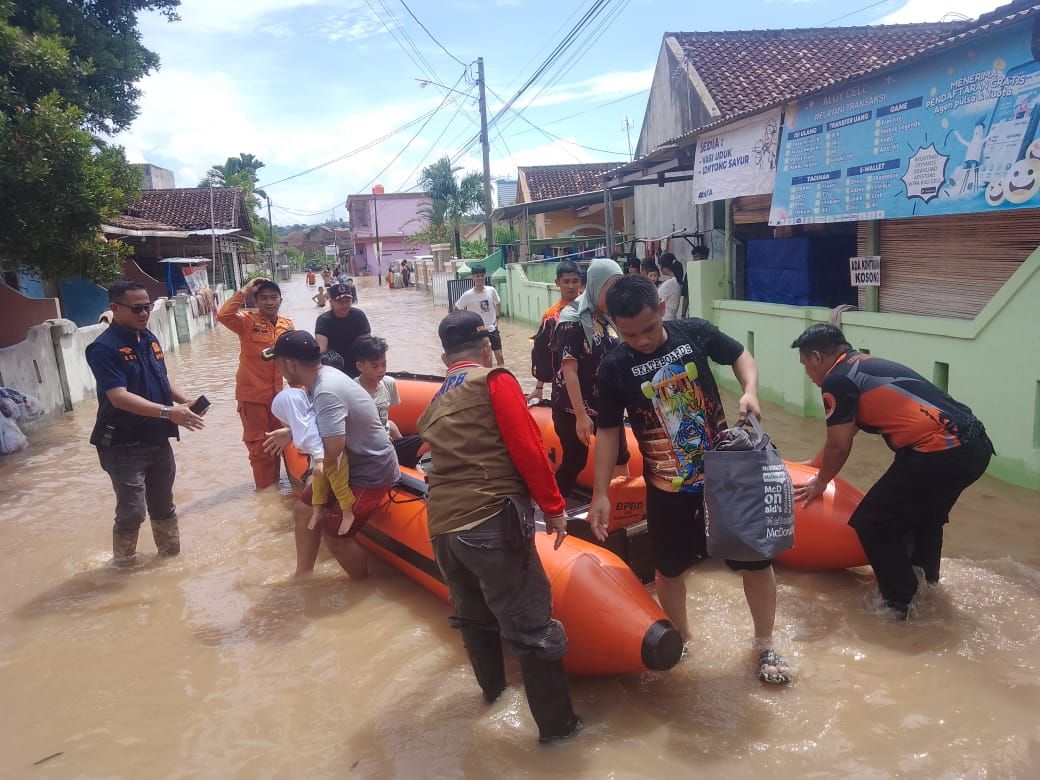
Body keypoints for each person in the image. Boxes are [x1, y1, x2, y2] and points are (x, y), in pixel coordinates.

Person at [590, 274, 791, 685]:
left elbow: (739, 355)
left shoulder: (692, 333)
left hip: (727, 479)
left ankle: (765, 645)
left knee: (754, 561)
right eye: (630, 334)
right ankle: (682, 639)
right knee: (670, 569)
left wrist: (750, 390)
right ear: (614, 325)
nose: (642, 341)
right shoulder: (613, 367)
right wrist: (600, 494)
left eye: (648, 329)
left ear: (662, 309)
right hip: (667, 488)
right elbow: (608, 431)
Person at [416, 311, 580, 743]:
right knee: (534, 629)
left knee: (474, 620)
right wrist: (555, 507)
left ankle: (493, 698)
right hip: (489, 520)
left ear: (444, 356)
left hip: (443, 530)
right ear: (486, 346)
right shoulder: (493, 380)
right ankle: (560, 734)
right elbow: (527, 447)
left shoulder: (436, 401)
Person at [790, 324, 993, 619]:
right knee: (926, 519)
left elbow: (840, 446)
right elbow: (847, 431)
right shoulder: (861, 367)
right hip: (975, 447)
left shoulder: (837, 380)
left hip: (939, 450)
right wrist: (815, 464)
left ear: (817, 357)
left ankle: (899, 606)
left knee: (872, 523)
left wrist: (820, 482)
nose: (808, 374)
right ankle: (927, 591)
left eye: (806, 364)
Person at [86, 280, 206, 564]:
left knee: (164, 506)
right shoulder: (103, 348)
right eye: (137, 308)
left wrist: (183, 401)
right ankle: (123, 566)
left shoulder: (148, 338)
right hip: (122, 443)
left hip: (156, 438)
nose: (144, 313)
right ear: (115, 309)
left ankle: (170, 560)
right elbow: (118, 397)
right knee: (132, 511)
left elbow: (161, 379)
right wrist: (169, 412)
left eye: (147, 307)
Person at [263, 331, 399, 579]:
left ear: (290, 364)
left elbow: (333, 448)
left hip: (369, 470)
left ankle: (362, 585)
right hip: (348, 461)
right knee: (303, 510)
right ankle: (303, 575)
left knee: (335, 537)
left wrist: (314, 468)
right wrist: (292, 431)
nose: (277, 367)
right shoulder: (322, 378)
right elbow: (325, 427)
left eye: (278, 361)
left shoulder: (326, 390)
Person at [550, 258, 630, 499]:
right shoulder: (572, 320)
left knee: (621, 456)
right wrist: (581, 416)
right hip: (573, 408)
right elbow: (569, 370)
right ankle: (553, 505)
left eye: (619, 286)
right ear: (596, 285)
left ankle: (621, 510)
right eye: (611, 287)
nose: (616, 293)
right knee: (575, 461)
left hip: (606, 403)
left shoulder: (608, 319)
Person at [217, 277, 294, 489]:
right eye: (264, 298)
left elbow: (294, 361)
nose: (269, 302)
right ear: (256, 301)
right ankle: (266, 493)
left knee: (282, 444)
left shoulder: (287, 325)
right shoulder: (247, 322)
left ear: (280, 299)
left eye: (273, 297)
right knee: (260, 449)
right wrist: (245, 290)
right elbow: (223, 315)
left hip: (280, 399)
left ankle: (281, 490)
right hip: (253, 398)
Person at [353, 335, 426, 468]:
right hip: (367, 447)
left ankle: (411, 466)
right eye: (375, 366)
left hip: (387, 442)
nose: (381, 370)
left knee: (425, 439)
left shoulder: (388, 383)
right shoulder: (353, 390)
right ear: (360, 366)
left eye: (384, 364)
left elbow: (386, 418)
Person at [528, 260, 583, 404]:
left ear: (580, 281)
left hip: (589, 375)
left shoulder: (590, 307)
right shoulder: (551, 315)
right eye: (566, 282)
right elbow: (543, 351)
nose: (571, 286)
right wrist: (539, 387)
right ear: (557, 282)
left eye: (575, 281)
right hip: (562, 379)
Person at [315, 283, 371, 379]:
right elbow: (321, 350)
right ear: (331, 302)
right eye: (340, 302)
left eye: (348, 301)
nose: (345, 305)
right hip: (334, 369)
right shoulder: (323, 320)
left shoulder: (359, 316)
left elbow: (366, 346)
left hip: (358, 367)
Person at [453, 264, 503, 366]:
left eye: (482, 275)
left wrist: (497, 319)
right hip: (478, 331)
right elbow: (456, 309)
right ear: (473, 277)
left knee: (500, 356)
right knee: (485, 359)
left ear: (485, 276)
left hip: (492, 328)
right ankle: (486, 379)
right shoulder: (468, 295)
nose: (480, 278)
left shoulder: (491, 290)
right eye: (477, 276)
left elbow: (497, 302)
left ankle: (501, 379)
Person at [657, 254, 682, 321]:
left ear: (665, 267)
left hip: (665, 318)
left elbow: (655, 296)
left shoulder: (671, 282)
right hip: (669, 318)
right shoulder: (674, 281)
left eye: (660, 266)